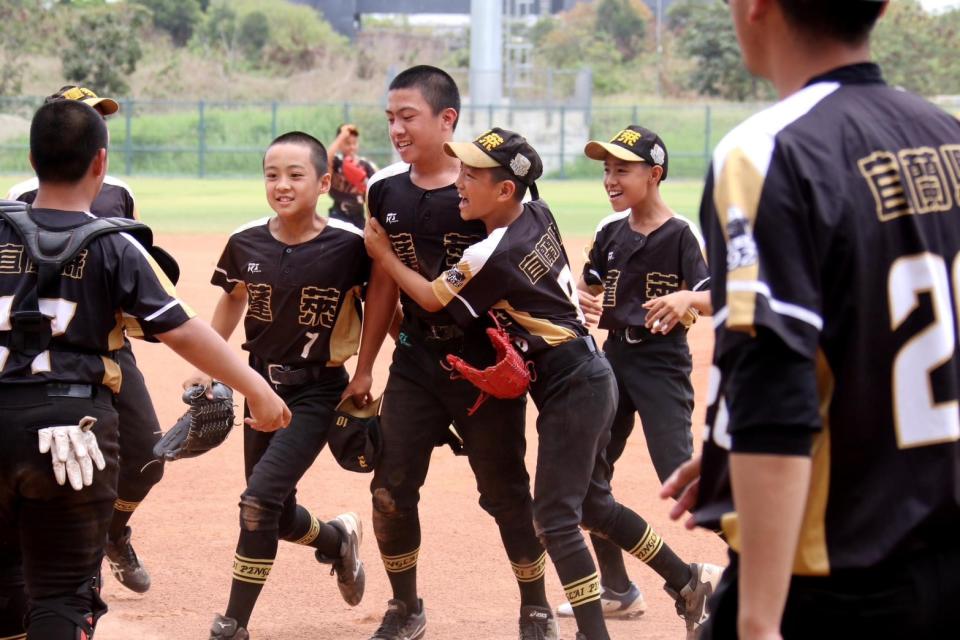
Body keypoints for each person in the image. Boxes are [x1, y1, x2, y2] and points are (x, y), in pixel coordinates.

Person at [661, 1, 960, 638]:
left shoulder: (767, 151)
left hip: (836, 578)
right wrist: (731, 444)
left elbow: (777, 389)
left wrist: (761, 620)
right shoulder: (947, 136)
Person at [365, 126, 722, 640]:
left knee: (555, 517)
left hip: (573, 384)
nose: (459, 184)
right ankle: (688, 582)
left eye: (471, 176)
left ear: (506, 190)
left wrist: (385, 254)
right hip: (587, 373)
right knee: (592, 504)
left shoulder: (490, 253)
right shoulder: (539, 211)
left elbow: (427, 298)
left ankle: (594, 633)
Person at [0, 99, 289, 640]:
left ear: (32, 158)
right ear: (100, 164)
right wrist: (257, 389)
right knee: (62, 594)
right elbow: (181, 329)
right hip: (70, 434)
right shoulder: (113, 244)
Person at [362, 66, 557, 640]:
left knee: (504, 491)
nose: (396, 128)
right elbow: (383, 282)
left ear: (447, 119)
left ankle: (535, 606)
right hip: (416, 359)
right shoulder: (385, 190)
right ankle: (405, 606)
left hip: (486, 366)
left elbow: (528, 267)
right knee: (390, 488)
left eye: (409, 116)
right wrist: (366, 365)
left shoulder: (483, 189)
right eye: (390, 117)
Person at [184, 131, 388, 640]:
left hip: (319, 391)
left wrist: (364, 371)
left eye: (295, 175)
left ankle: (234, 624)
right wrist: (212, 363)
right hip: (259, 386)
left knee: (258, 500)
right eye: (272, 175)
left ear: (324, 182)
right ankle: (337, 539)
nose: (281, 184)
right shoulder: (245, 239)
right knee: (271, 514)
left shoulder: (348, 245)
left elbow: (384, 306)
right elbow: (234, 297)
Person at [7, 85, 162, 595]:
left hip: (110, 342)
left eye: (98, 116)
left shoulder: (119, 191)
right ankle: (67, 566)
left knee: (148, 456)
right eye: (85, 116)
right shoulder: (18, 199)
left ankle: (114, 532)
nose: (96, 123)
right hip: (43, 353)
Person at [553, 125, 712, 621]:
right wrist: (579, 293)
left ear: (655, 174)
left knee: (678, 477)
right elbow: (588, 281)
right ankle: (618, 589)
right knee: (588, 476)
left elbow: (718, 293)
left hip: (662, 367)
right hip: (614, 361)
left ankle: (762, 559)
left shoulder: (682, 233)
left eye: (622, 169)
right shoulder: (610, 230)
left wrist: (688, 296)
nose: (610, 179)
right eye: (606, 169)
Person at [327, 123, 378, 228]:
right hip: (338, 213)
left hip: (358, 214)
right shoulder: (337, 162)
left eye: (354, 143)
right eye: (347, 143)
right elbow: (326, 160)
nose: (352, 147)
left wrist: (364, 181)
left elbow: (377, 188)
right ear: (339, 143)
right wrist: (341, 136)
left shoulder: (364, 165)